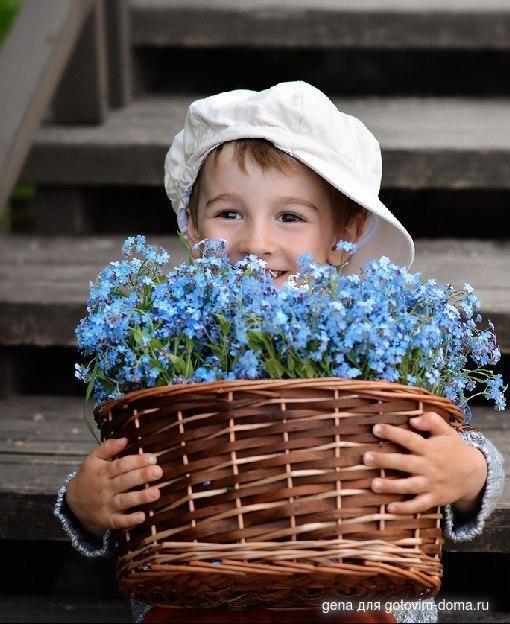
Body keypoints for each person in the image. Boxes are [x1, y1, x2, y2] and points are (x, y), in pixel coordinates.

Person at [54, 81, 505, 624]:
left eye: (290, 217)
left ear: (347, 232)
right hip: (203, 597)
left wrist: (468, 474)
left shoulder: (378, 336)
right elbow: (127, 462)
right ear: (191, 225)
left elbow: (451, 439)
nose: (255, 242)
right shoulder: (164, 342)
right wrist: (84, 507)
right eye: (228, 214)